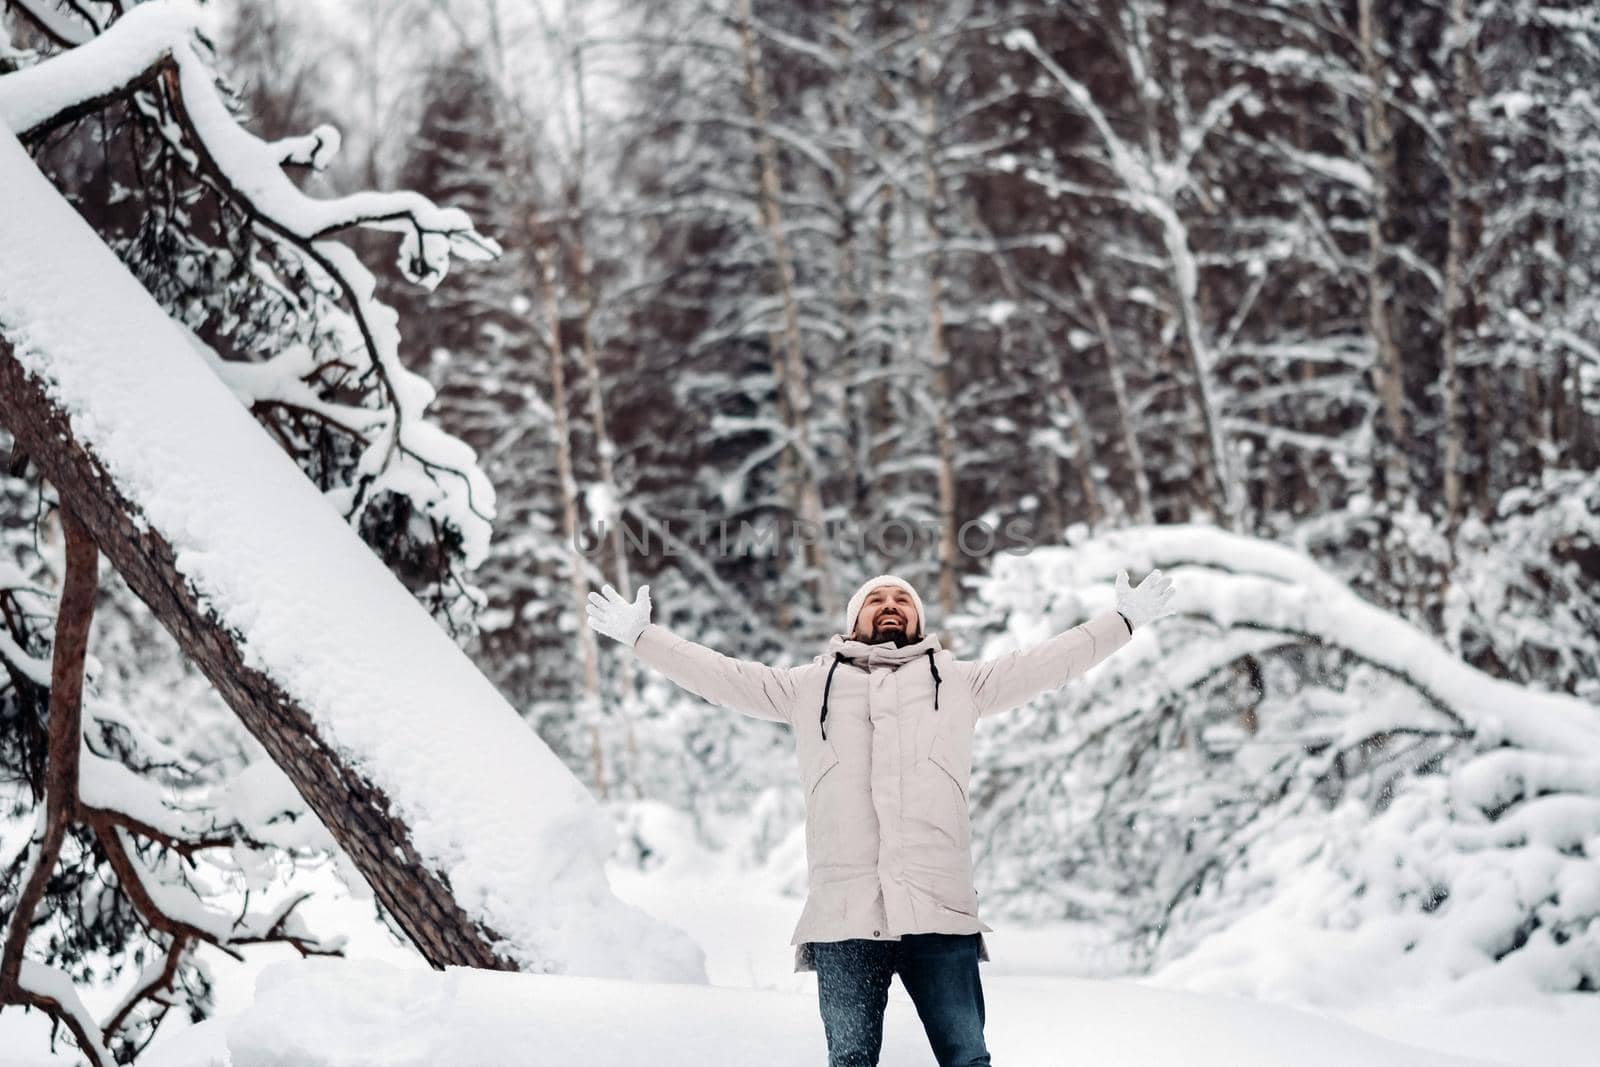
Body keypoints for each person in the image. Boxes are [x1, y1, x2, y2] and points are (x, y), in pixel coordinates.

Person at [587, 567, 1176, 1066]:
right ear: (854, 620)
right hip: (844, 915)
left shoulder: (963, 683)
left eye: (902, 601)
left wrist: (1120, 623)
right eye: (877, 599)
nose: (890, 607)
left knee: (967, 1058)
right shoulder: (806, 687)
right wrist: (643, 638)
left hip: (938, 912)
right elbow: (720, 676)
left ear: (919, 620)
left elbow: (1052, 661)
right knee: (849, 1062)